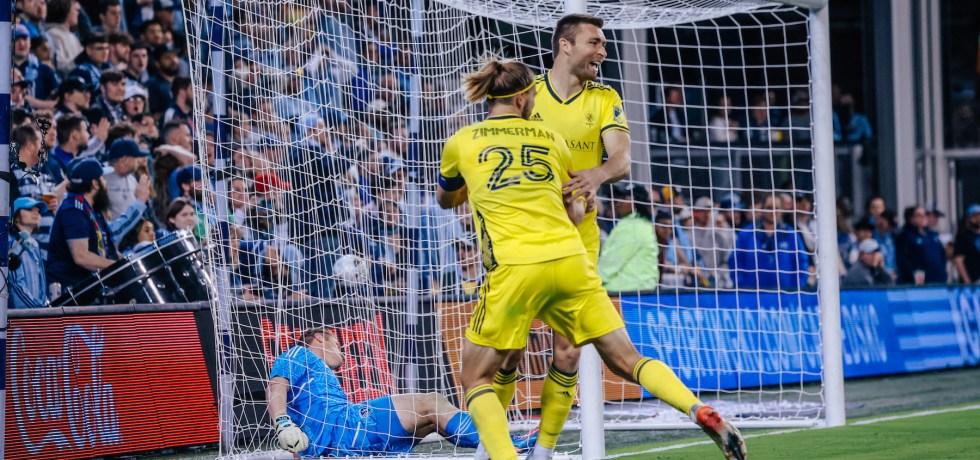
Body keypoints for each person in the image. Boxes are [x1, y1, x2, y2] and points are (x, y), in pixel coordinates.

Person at [437, 58, 745, 460]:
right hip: (570, 260)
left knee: (475, 376)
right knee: (626, 359)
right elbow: (575, 213)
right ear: (522, 97)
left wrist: (475, 182)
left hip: (514, 268)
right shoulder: (550, 138)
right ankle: (696, 408)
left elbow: (446, 199)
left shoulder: (462, 141)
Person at [479, 14, 637, 458]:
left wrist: (596, 176)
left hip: (578, 239)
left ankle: (544, 451)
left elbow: (622, 158)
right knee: (508, 351)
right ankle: (491, 445)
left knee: (568, 352)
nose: (603, 51)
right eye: (595, 43)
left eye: (604, 44)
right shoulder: (527, 94)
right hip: (524, 238)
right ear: (565, 45)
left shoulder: (604, 98)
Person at [267, 327, 538, 457]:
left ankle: (499, 444)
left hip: (342, 442)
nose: (342, 351)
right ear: (319, 338)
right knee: (430, 403)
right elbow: (276, 385)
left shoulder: (316, 379)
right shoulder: (299, 354)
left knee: (431, 422)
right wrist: (282, 423)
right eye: (336, 343)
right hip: (348, 427)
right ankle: (506, 444)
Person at [46, 158, 119, 290]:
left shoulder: (91, 210)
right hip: (68, 291)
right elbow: (81, 256)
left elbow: (103, 248)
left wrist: (127, 260)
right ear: (95, 184)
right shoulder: (73, 210)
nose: (106, 184)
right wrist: (117, 267)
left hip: (84, 287)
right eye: (103, 179)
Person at [597, 182, 659, 291]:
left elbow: (610, 264)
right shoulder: (640, 224)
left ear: (636, 201)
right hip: (637, 291)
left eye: (623, 197)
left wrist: (591, 283)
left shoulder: (632, 226)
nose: (617, 202)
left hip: (625, 292)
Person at [8, 198, 49, 308]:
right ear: (15, 215)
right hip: (20, 315)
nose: (36, 213)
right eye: (30, 209)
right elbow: (16, 284)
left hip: (35, 312)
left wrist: (43, 308)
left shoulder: (34, 244)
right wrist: (37, 310)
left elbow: (42, 282)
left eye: (38, 211)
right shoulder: (11, 244)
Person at [895, 206, 946, 285]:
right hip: (918, 282)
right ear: (911, 218)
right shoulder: (905, 236)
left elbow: (942, 255)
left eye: (925, 215)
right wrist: (912, 275)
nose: (923, 218)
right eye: (919, 215)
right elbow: (903, 260)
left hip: (938, 279)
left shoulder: (933, 235)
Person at [953, 204, 980, 284]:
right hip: (974, 281)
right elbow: (958, 260)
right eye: (974, 216)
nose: (978, 219)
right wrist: (967, 280)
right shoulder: (963, 237)